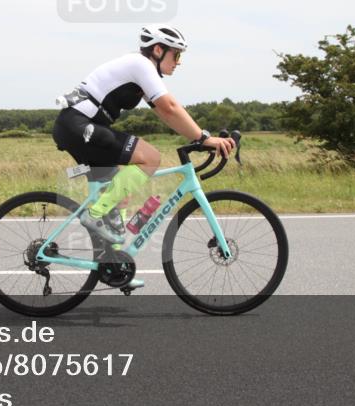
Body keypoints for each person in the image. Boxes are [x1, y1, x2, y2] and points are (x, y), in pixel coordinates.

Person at [52, 25, 236, 253]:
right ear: (158, 50)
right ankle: (95, 215)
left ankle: (114, 264)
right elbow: (170, 107)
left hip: (80, 127)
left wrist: (198, 138)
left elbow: (165, 114)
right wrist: (205, 138)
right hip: (80, 125)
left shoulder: (140, 71)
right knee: (150, 158)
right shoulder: (141, 65)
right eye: (176, 55)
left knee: (120, 196)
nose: (178, 62)